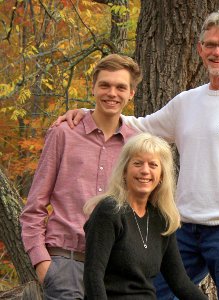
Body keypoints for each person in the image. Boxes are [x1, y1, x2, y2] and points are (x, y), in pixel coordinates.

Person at [54, 9, 219, 300]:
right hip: (184, 226)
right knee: (156, 293)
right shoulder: (187, 102)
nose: (217, 52)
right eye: (211, 44)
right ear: (200, 49)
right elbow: (141, 127)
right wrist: (91, 114)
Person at [20, 54, 142, 299]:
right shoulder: (64, 133)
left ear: (131, 93)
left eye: (121, 87)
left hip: (114, 270)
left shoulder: (135, 144)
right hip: (66, 263)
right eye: (105, 85)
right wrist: (43, 263)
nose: (112, 93)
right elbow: (34, 206)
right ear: (93, 87)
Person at [83, 132, 208, 300]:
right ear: (125, 170)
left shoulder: (162, 219)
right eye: (138, 163)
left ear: (162, 175)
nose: (145, 171)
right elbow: (93, 277)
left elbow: (180, 283)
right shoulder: (109, 211)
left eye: (153, 165)